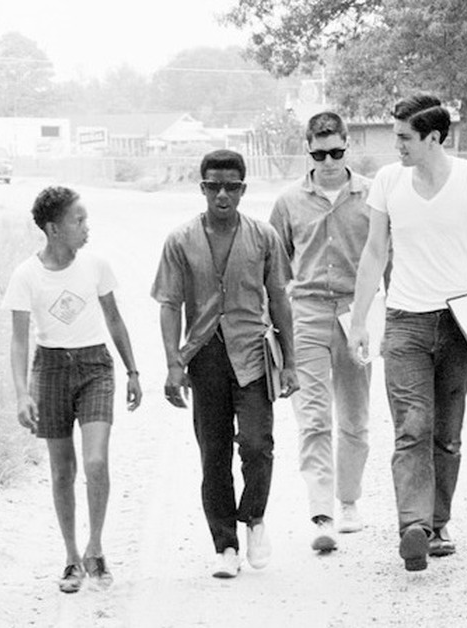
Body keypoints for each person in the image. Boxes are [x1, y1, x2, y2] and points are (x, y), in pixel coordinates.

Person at [348, 94, 467, 572]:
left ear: (433, 138)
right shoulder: (388, 182)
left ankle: (439, 523)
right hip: (404, 321)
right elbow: (374, 253)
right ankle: (413, 527)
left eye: (404, 137)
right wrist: (360, 321)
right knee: (411, 427)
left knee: (447, 432)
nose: (395, 144)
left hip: (460, 321)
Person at [152, 149, 299, 578]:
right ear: (201, 189)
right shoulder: (180, 240)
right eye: (213, 186)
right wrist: (173, 364)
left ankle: (253, 518)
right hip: (205, 357)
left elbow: (280, 299)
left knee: (256, 444)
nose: (222, 195)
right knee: (212, 453)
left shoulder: (263, 236)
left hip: (252, 353)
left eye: (230, 187)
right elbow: (168, 304)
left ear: (242, 190)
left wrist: (290, 363)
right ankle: (225, 545)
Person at [2, 186, 143, 593]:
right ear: (53, 229)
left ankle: (95, 549)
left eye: (86, 219)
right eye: (77, 221)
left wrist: (132, 370)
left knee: (96, 461)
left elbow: (115, 320)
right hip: (50, 370)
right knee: (63, 469)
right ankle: (71, 558)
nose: (86, 228)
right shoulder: (26, 275)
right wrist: (21, 393)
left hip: (95, 366)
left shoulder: (96, 265)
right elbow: (18, 340)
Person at [269, 112, 381, 553]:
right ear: (308, 150)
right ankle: (321, 511)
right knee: (313, 418)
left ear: (347, 145)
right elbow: (276, 270)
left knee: (354, 417)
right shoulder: (289, 201)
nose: (330, 161)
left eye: (337, 151)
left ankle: (349, 500)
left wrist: (380, 320)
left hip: (357, 312)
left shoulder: (372, 195)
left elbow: (386, 256)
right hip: (309, 313)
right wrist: (275, 328)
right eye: (320, 154)